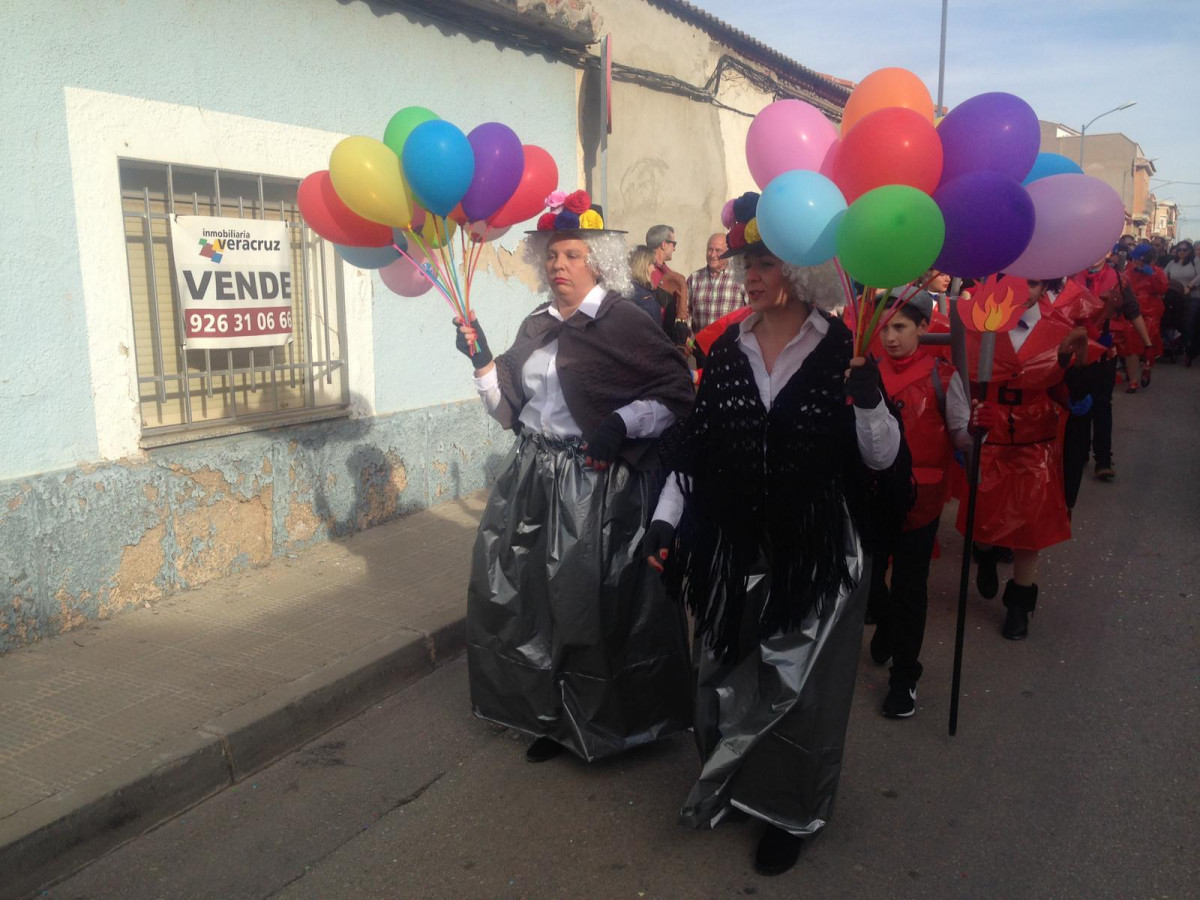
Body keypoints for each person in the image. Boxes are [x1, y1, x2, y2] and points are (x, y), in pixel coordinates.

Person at [643, 198, 907, 875]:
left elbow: (880, 460)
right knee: (728, 673)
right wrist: (667, 519)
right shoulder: (727, 349)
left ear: (800, 268)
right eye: (745, 262)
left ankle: (789, 810)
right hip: (736, 544)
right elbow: (701, 447)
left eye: (763, 261)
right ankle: (734, 782)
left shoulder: (842, 350)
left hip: (814, 551)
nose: (750, 273)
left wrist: (870, 397)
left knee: (800, 691)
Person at [457, 190, 696, 764]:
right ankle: (551, 714)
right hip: (534, 479)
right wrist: (485, 363)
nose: (558, 265)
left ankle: (610, 720)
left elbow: (677, 394)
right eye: (551, 255)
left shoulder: (625, 321)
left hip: (597, 488)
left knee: (589, 607)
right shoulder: (536, 323)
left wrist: (620, 422)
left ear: (596, 262)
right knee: (529, 600)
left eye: (570, 255)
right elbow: (510, 411)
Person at [868, 291, 973, 718]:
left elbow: (962, 437)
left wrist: (977, 430)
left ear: (923, 329)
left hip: (921, 503)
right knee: (871, 584)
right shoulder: (868, 374)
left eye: (900, 328)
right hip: (873, 498)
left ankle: (905, 678)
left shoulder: (945, 379)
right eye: (885, 328)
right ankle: (886, 618)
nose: (890, 337)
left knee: (911, 589)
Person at [964, 277, 1085, 640]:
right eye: (1013, 281)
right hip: (991, 429)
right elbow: (964, 377)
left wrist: (1075, 361)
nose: (1022, 291)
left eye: (1031, 283)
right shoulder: (980, 323)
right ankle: (984, 552)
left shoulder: (1060, 329)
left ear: (1043, 286)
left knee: (1031, 526)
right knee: (983, 514)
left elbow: (1075, 389)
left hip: (1037, 435)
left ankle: (1019, 603)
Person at [1121, 244, 1169, 388]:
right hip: (1132, 311)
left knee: (1149, 342)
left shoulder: (1157, 272)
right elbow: (1121, 286)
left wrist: (1152, 276)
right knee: (1131, 344)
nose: (1139, 263)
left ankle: (1147, 366)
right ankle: (1133, 381)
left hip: (1150, 313)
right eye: (1138, 260)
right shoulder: (1128, 270)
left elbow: (1162, 290)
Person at [686, 232, 746, 331]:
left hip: (731, 344)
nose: (713, 255)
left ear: (728, 252)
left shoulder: (740, 278)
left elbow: (752, 311)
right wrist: (688, 337)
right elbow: (686, 311)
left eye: (718, 250)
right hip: (700, 344)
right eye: (710, 249)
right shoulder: (694, 278)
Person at [647, 224, 690, 346]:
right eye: (673, 244)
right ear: (664, 244)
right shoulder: (645, 272)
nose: (674, 249)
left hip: (670, 338)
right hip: (652, 339)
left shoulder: (669, 273)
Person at [1164, 240, 1200, 365]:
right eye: (1179, 249)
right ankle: (1170, 344)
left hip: (1192, 295)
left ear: (1189, 251)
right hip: (1175, 296)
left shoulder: (1195, 261)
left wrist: (1190, 286)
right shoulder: (1172, 263)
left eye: (1185, 250)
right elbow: (1163, 276)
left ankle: (1188, 349)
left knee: (1190, 320)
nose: (1182, 252)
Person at [628, 244, 670, 326]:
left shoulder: (643, 289)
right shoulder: (637, 294)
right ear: (643, 265)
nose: (654, 269)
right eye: (652, 264)